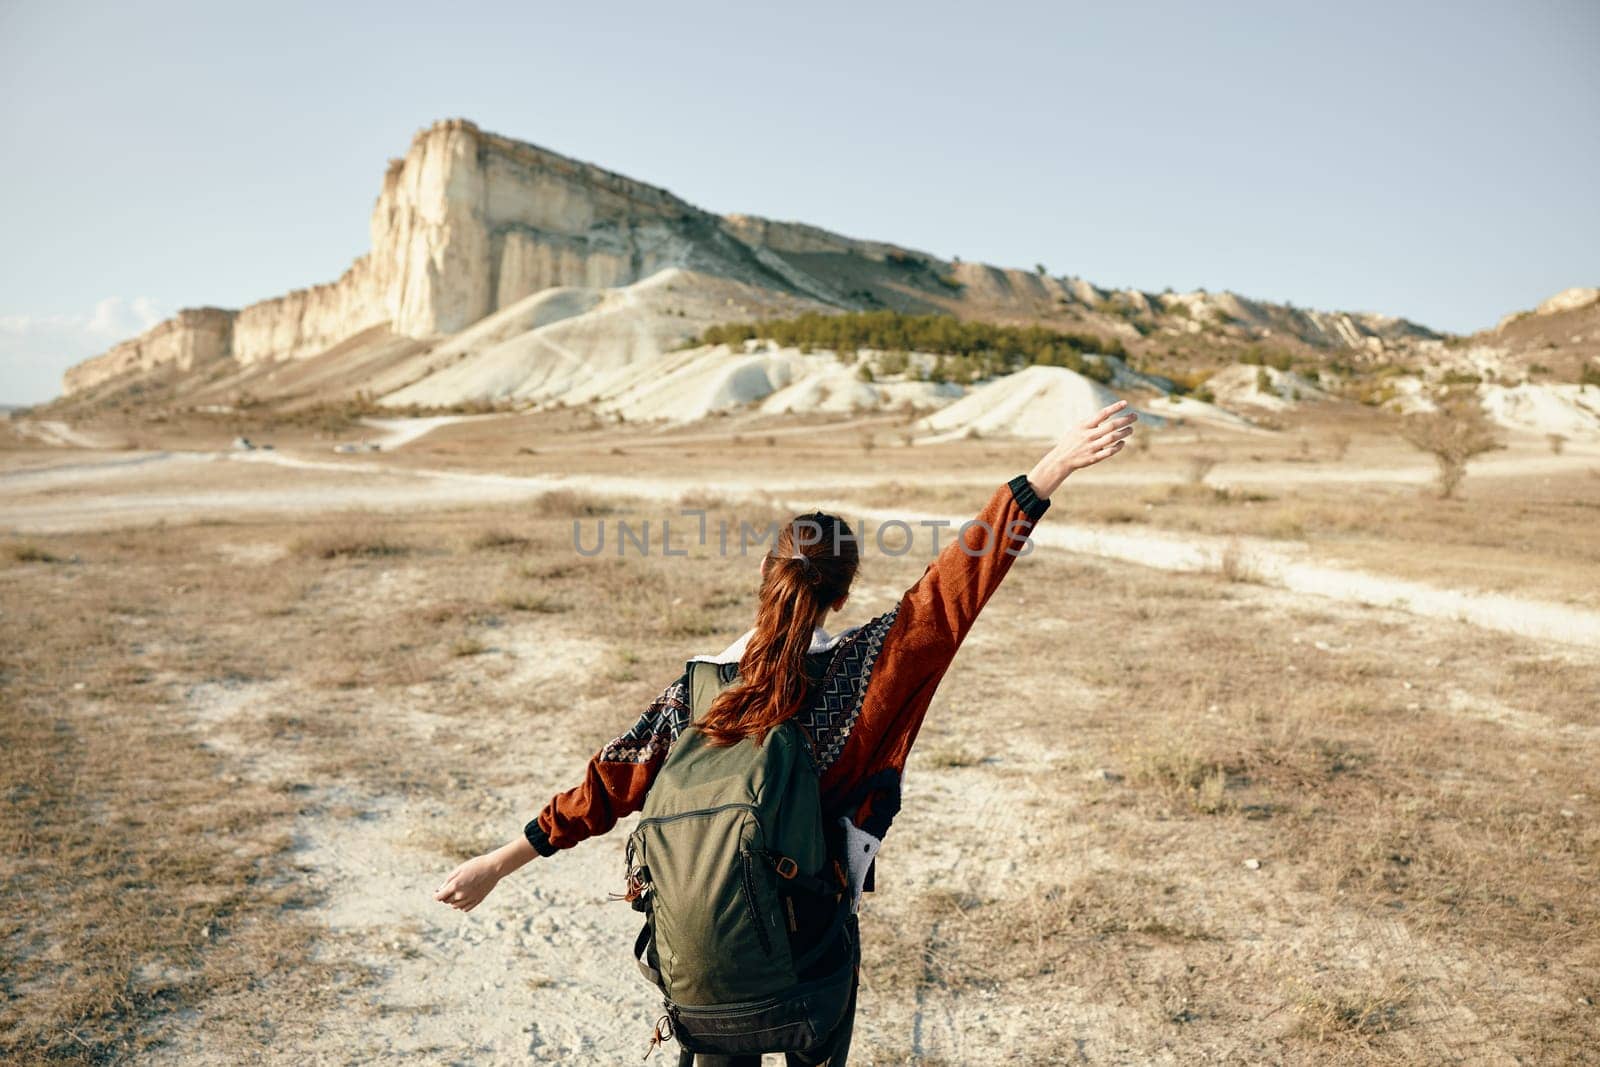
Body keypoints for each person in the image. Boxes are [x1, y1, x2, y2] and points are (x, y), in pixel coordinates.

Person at [435, 399, 1139, 1064]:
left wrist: (495, 864)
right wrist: (1049, 471)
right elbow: (955, 586)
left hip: (701, 972)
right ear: (841, 593)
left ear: (767, 578)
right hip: (809, 970)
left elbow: (603, 785)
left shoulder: (696, 692)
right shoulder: (866, 671)